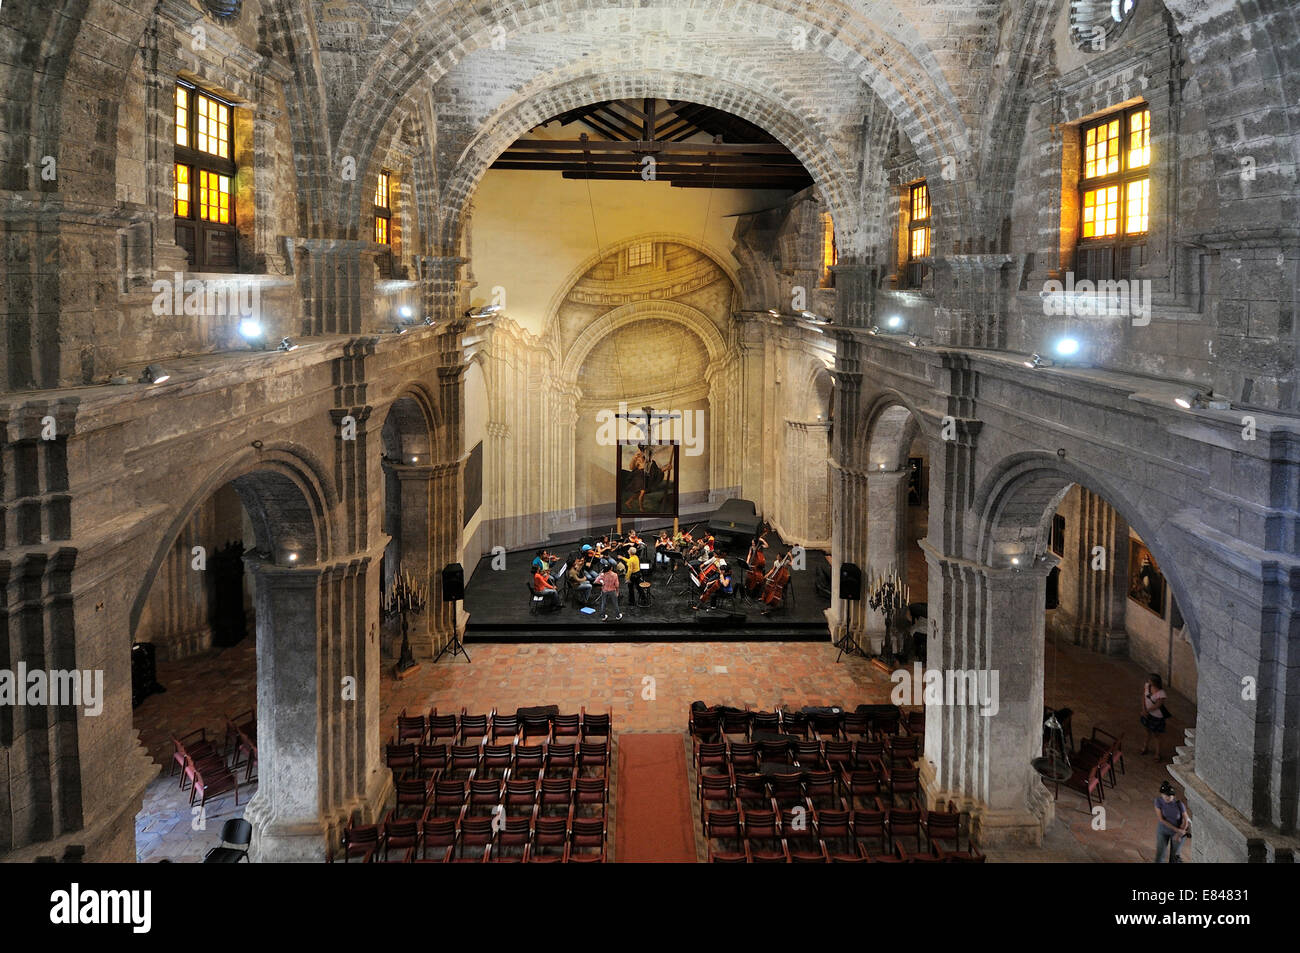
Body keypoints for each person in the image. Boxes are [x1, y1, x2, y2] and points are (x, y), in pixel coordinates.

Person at [1153, 780, 1190, 863]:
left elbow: (1185, 819)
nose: (1167, 797)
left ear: (1173, 796)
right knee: (1159, 856)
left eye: (1169, 795)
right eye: (1164, 795)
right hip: (1163, 830)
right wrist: (1177, 830)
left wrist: (1180, 833)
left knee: (1174, 857)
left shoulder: (1179, 804)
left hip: (1178, 832)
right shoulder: (1158, 801)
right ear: (1161, 794)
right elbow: (1161, 819)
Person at [1140, 673, 1169, 761]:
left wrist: (1146, 711)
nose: (1148, 681)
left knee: (1157, 735)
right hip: (1147, 714)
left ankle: (1158, 753)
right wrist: (1143, 708)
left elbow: (1158, 705)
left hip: (1156, 717)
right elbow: (1143, 697)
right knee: (1147, 732)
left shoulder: (1161, 693)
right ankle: (1145, 747)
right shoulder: (1147, 686)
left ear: (1154, 682)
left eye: (1150, 680)